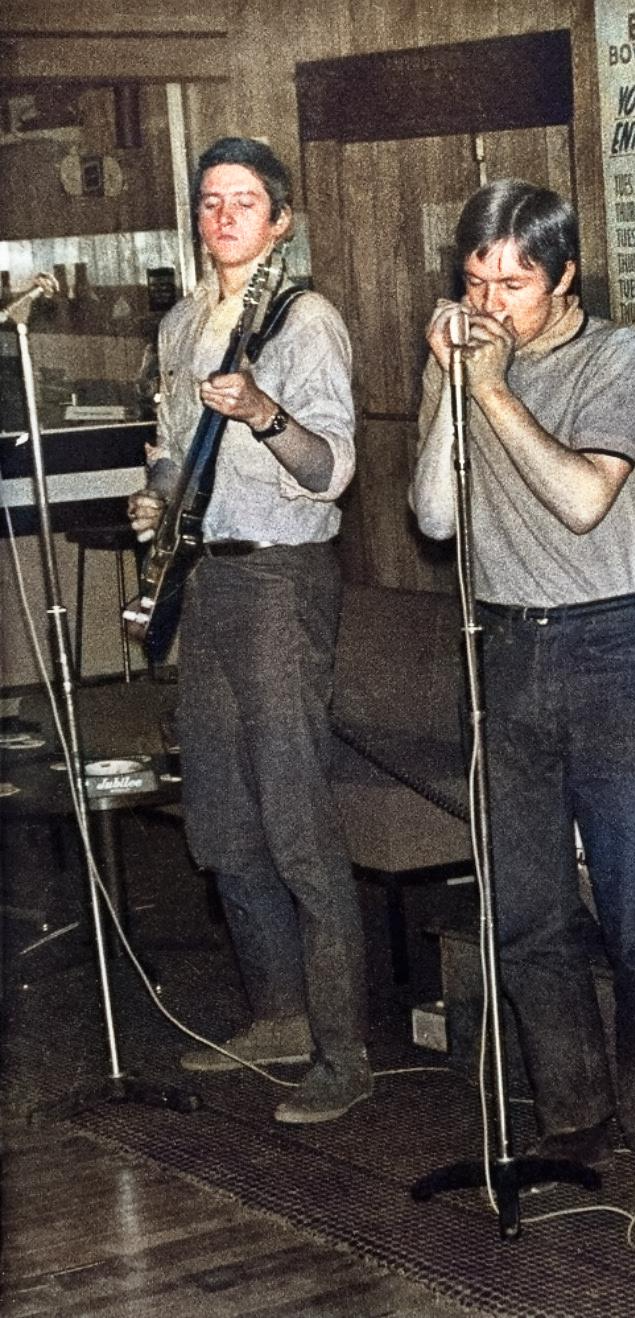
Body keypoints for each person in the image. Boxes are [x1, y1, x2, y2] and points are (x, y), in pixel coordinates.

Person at [409, 179, 635, 1217]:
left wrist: (491, 392)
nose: (493, 303)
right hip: (502, 646)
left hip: (609, 643)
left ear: (566, 274)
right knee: (527, 907)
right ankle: (572, 1111)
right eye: (476, 280)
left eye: (516, 282)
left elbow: (585, 499)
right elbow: (435, 517)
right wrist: (450, 381)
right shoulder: (470, 359)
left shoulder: (620, 359)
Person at [126, 137, 367, 1123]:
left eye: (244, 202)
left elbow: (331, 472)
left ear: (280, 221)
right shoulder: (185, 323)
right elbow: (184, 465)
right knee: (221, 813)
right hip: (211, 584)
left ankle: (344, 1053)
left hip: (280, 581)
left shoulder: (303, 322)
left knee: (296, 817)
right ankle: (276, 1015)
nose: (223, 217)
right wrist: (157, 502)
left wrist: (265, 410)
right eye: (209, 201)